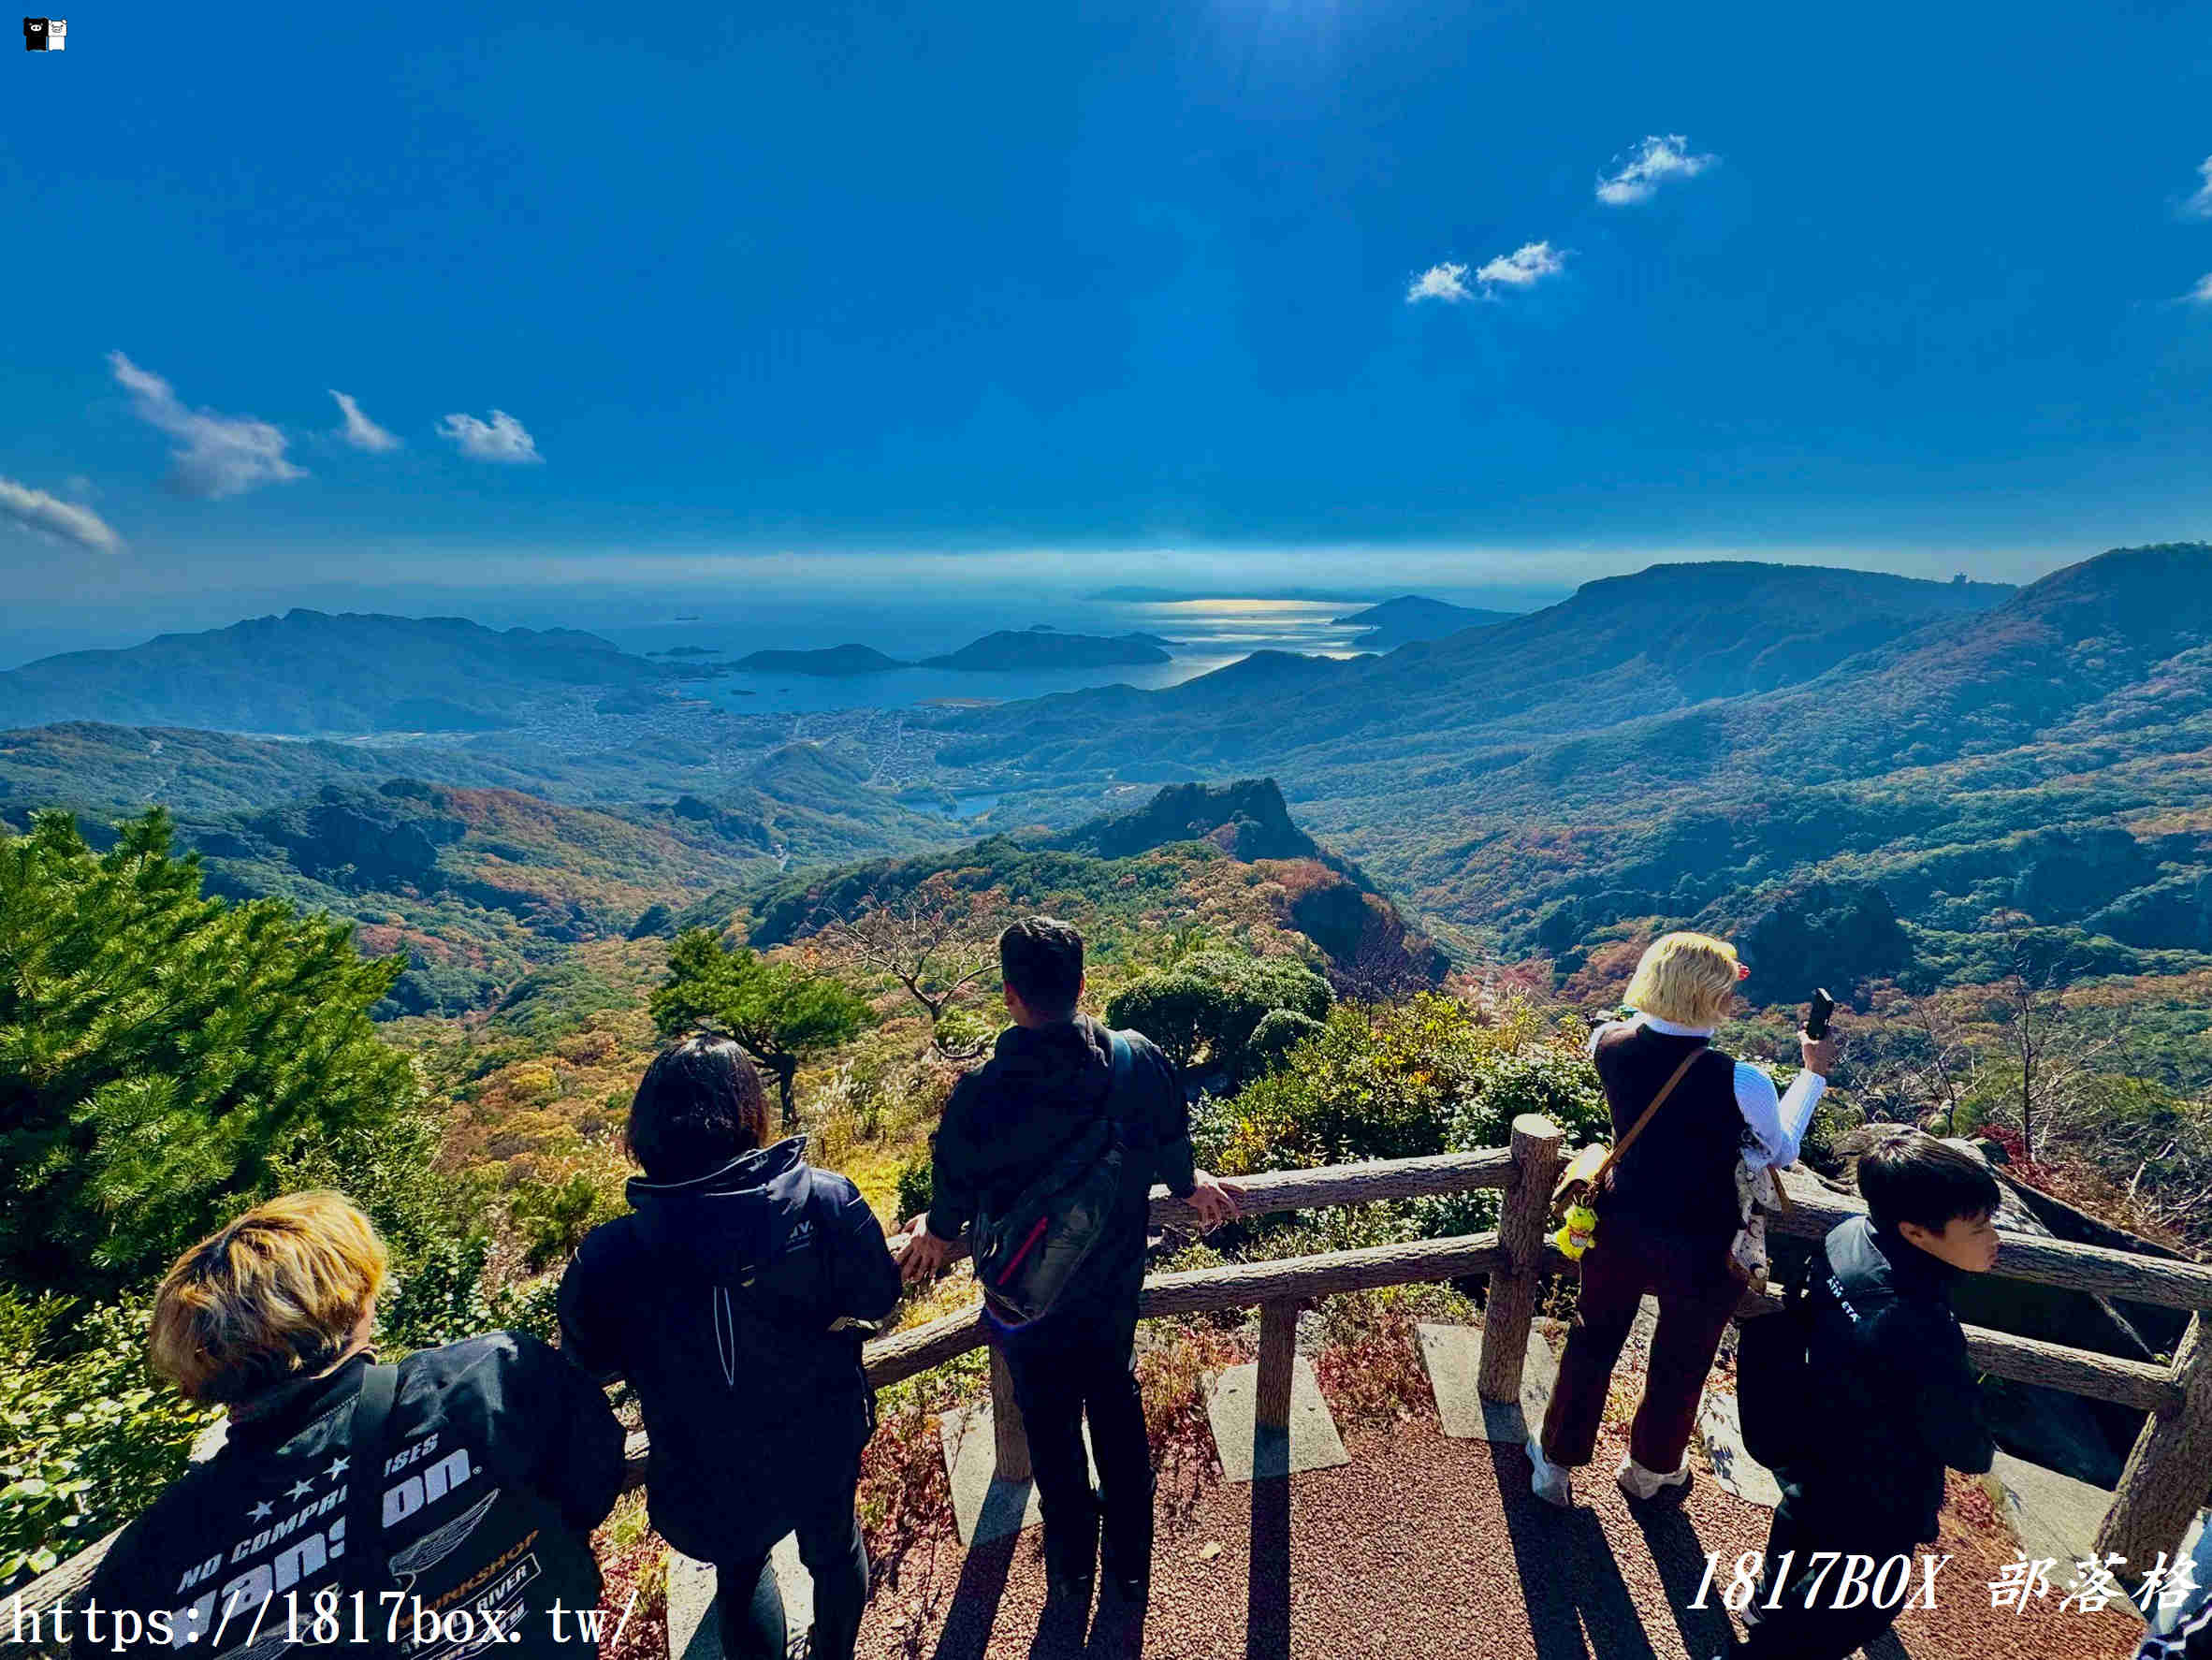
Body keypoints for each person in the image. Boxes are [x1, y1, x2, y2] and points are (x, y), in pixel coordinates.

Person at [76, 1192, 625, 1660]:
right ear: (358, 1301)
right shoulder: (489, 1378)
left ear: (197, 1370)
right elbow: (591, 1483)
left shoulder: (145, 1565)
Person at [898, 916, 1241, 1609]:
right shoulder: (1135, 1060)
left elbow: (954, 1193)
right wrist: (1189, 1184)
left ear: (1009, 996)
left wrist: (933, 1233)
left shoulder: (979, 1095)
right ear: (1083, 985)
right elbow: (1173, 1144)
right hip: (1112, 1283)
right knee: (1115, 1401)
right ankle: (1132, 1570)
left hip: (1028, 1304)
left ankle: (1071, 1572)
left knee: (1050, 1426)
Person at [557, 1035, 899, 1660]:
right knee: (835, 1547)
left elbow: (590, 1362)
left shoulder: (607, 1257)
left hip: (702, 1455)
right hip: (820, 1426)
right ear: (747, 1113)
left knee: (740, 1574)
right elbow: (879, 1300)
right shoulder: (824, 1202)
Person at [1531, 931, 1835, 1506]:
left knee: (1592, 1340)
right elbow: (1782, 1152)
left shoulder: (1607, 1043)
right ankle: (1650, 1472)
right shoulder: (1741, 1080)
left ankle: (1554, 1466)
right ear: (1718, 996)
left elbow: (1627, 1021)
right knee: (1682, 1356)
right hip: (1703, 1239)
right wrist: (1812, 1074)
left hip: (1618, 1223)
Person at [1741, 1128, 2001, 1659]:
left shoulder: (1851, 1235)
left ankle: (1768, 1603)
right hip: (1879, 1481)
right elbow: (1964, 1447)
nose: (1995, 1239)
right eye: (1977, 1228)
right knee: (1861, 1600)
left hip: (1815, 1430)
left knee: (1801, 1523)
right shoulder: (1918, 1322)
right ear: (1916, 1232)